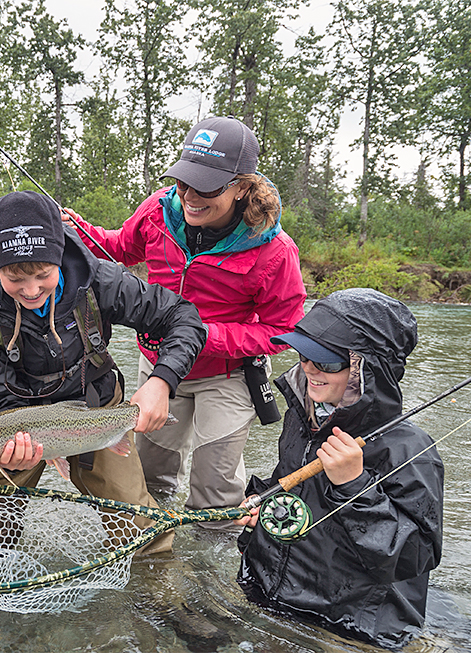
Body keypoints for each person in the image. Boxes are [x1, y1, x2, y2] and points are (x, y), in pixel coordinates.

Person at [64, 116, 306, 525]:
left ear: (243, 186)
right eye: (184, 182)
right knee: (150, 478)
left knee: (215, 497)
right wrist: (79, 230)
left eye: (207, 187)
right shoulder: (159, 211)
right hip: (158, 366)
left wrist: (199, 336)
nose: (191, 196)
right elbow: (120, 249)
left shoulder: (276, 252)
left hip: (226, 374)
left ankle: (210, 577)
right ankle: (154, 567)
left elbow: (284, 332)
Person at [0, 190, 207, 553]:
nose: (31, 290)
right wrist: (12, 451)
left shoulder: (101, 280)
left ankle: (157, 597)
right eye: (15, 279)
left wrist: (161, 381)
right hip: (18, 424)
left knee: (141, 530)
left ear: (59, 257)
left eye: (43, 275)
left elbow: (183, 317)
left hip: (98, 410)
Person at [235, 288, 445, 648]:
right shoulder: (302, 415)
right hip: (268, 594)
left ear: (367, 367)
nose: (310, 370)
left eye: (327, 363)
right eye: (304, 356)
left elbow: (415, 557)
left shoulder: (411, 449)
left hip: (347, 627)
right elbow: (289, 481)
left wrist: (353, 484)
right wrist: (262, 500)